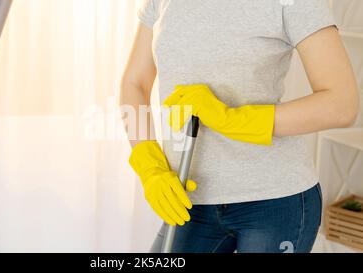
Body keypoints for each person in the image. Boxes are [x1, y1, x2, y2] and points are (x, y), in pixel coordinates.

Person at [120, 0, 360, 253]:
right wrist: (149, 166)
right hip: (190, 197)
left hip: (274, 201)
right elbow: (135, 83)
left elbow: (341, 104)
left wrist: (231, 119)